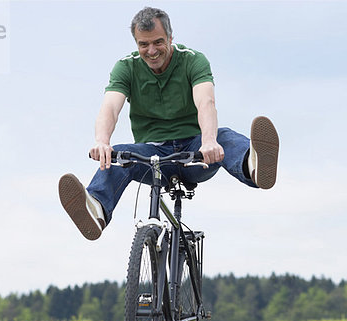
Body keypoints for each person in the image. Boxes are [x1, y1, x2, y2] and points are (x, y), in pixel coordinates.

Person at [58, 7, 279, 241]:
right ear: (136, 43)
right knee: (115, 157)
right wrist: (102, 142)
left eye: (158, 42)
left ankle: (252, 166)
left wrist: (209, 141)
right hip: (153, 157)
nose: (151, 51)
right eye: (144, 44)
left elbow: (206, 102)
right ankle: (97, 211)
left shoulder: (193, 60)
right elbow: (110, 107)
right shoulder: (126, 67)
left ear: (171, 38)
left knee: (224, 136)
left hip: (196, 153)